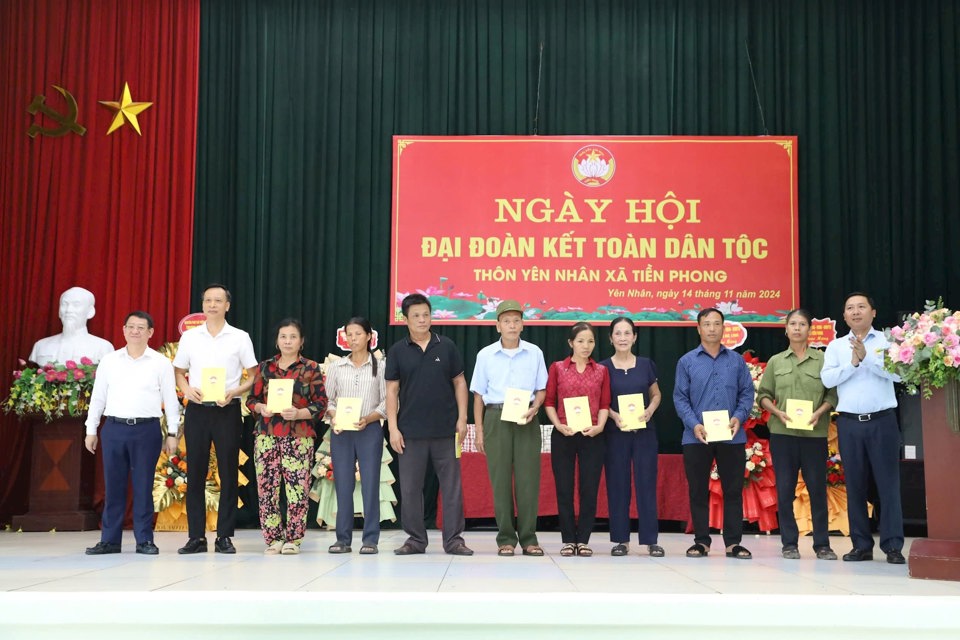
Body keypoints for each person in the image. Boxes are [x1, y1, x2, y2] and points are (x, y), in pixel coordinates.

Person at [83, 311, 181, 555]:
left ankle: (144, 540)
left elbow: (171, 400)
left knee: (143, 485)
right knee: (113, 486)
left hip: (146, 430)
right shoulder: (110, 361)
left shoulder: (160, 363)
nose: (135, 331)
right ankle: (110, 540)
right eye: (131, 327)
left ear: (150, 333)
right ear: (124, 330)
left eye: (141, 327)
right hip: (114, 428)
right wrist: (91, 429)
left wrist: (172, 432)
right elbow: (98, 397)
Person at [173, 284, 257, 554]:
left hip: (227, 409)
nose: (212, 305)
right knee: (195, 473)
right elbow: (178, 372)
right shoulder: (190, 337)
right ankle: (196, 536)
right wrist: (187, 391)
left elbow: (254, 375)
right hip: (197, 409)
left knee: (228, 473)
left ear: (227, 305)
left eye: (218, 300)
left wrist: (236, 391)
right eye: (207, 300)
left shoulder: (240, 337)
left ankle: (224, 536)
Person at [385, 293, 473, 556]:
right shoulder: (398, 351)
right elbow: (391, 391)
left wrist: (462, 417)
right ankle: (415, 540)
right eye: (416, 316)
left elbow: (460, 382)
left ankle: (454, 540)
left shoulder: (445, 346)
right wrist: (392, 428)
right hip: (410, 432)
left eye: (426, 314)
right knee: (411, 489)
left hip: (446, 431)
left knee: (452, 488)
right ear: (405, 319)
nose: (422, 320)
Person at [821, 292, 905, 564]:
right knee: (854, 484)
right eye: (850, 308)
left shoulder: (889, 341)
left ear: (873, 312)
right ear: (844, 316)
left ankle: (892, 546)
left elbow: (899, 373)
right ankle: (861, 545)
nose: (855, 312)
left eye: (861, 307)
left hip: (882, 421)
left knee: (888, 485)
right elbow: (827, 378)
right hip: (849, 423)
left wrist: (868, 358)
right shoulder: (835, 346)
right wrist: (854, 362)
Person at [756, 308, 839, 560]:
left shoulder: (823, 361)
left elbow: (832, 395)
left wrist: (820, 412)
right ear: (786, 329)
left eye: (802, 324)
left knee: (816, 489)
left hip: (814, 435)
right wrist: (777, 412)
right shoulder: (776, 361)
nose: (797, 328)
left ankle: (822, 544)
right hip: (783, 433)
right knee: (785, 489)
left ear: (809, 330)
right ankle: (789, 543)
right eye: (792, 324)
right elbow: (763, 396)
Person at [674, 308, 755, 560]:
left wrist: (738, 417)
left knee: (733, 490)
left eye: (716, 324)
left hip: (731, 435)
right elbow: (680, 397)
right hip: (696, 435)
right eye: (706, 324)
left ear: (723, 328)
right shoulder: (687, 361)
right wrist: (693, 424)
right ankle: (701, 541)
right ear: (698, 329)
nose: (711, 328)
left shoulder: (736, 360)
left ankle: (733, 543)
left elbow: (747, 394)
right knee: (698, 490)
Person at [470, 300, 548, 557]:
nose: (512, 325)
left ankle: (528, 538)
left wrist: (536, 407)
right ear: (497, 326)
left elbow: (542, 390)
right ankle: (505, 538)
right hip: (496, 417)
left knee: (528, 481)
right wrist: (479, 431)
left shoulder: (535, 352)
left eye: (516, 320)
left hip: (526, 417)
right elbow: (478, 396)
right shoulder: (485, 355)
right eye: (506, 321)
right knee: (500, 480)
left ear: (523, 325)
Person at [246, 319, 327, 555]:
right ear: (277, 340)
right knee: (267, 488)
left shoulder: (311, 367)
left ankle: (293, 539)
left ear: (301, 341)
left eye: (293, 337)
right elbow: (252, 399)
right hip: (266, 436)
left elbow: (321, 403)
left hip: (299, 437)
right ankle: (273, 539)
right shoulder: (265, 367)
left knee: (297, 489)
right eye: (283, 336)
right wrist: (261, 408)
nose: (288, 341)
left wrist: (300, 413)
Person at [544, 322, 610, 557]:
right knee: (564, 488)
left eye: (590, 341)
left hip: (592, 435)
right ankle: (567, 539)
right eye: (580, 341)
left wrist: (600, 426)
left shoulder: (601, 370)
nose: (586, 345)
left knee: (589, 488)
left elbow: (604, 403)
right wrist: (558, 425)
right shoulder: (558, 368)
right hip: (564, 434)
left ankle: (583, 539)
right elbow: (549, 401)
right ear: (571, 343)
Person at [600, 317, 664, 557]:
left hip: (644, 433)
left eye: (628, 333)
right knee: (618, 485)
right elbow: (600, 402)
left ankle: (650, 540)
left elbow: (656, 394)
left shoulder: (646, 364)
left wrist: (650, 410)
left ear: (635, 337)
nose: (623, 338)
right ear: (611, 338)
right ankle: (621, 540)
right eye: (618, 333)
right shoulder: (603, 367)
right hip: (615, 434)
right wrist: (615, 416)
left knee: (647, 484)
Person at [324, 317, 387, 555]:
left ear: (369, 336)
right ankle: (343, 539)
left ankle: (370, 539)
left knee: (370, 483)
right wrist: (334, 416)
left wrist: (369, 418)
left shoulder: (380, 366)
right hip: (341, 431)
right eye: (349, 335)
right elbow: (328, 399)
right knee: (343, 484)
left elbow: (387, 400)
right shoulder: (337, 367)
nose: (353, 339)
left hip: (368, 429)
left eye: (358, 334)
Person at [29, 286, 114, 365]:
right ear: (59, 311)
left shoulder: (103, 348)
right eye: (64, 304)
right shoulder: (41, 346)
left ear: (90, 312)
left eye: (76, 304)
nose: (68, 310)